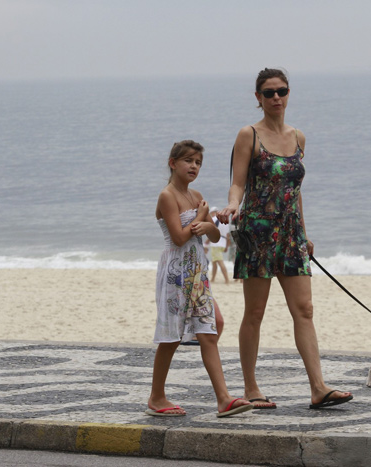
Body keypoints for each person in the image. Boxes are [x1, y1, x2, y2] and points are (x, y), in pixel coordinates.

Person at [217, 68, 353, 410]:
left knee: (304, 309)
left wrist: (304, 234)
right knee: (255, 312)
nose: (276, 97)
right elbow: (238, 182)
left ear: (289, 93)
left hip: (290, 234)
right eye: (268, 92)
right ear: (258, 98)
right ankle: (250, 387)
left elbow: (295, 191)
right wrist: (233, 205)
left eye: (281, 91)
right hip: (258, 231)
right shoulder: (249, 134)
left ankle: (318, 388)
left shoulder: (299, 137)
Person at [149, 140, 252, 418]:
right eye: (188, 161)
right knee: (171, 337)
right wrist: (203, 215)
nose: (194, 166)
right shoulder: (167, 196)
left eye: (198, 163)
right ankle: (156, 397)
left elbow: (215, 236)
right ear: (173, 163)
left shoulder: (196, 195)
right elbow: (181, 237)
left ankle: (224, 399)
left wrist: (208, 224)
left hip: (197, 272)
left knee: (210, 329)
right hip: (175, 273)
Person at [204, 206, 230, 284]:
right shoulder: (225, 220)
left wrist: (207, 241)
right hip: (223, 242)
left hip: (216, 243)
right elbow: (228, 235)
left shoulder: (214, 219)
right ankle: (213, 278)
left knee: (219, 261)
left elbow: (212, 231)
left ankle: (227, 279)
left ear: (212, 213)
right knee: (214, 261)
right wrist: (226, 246)